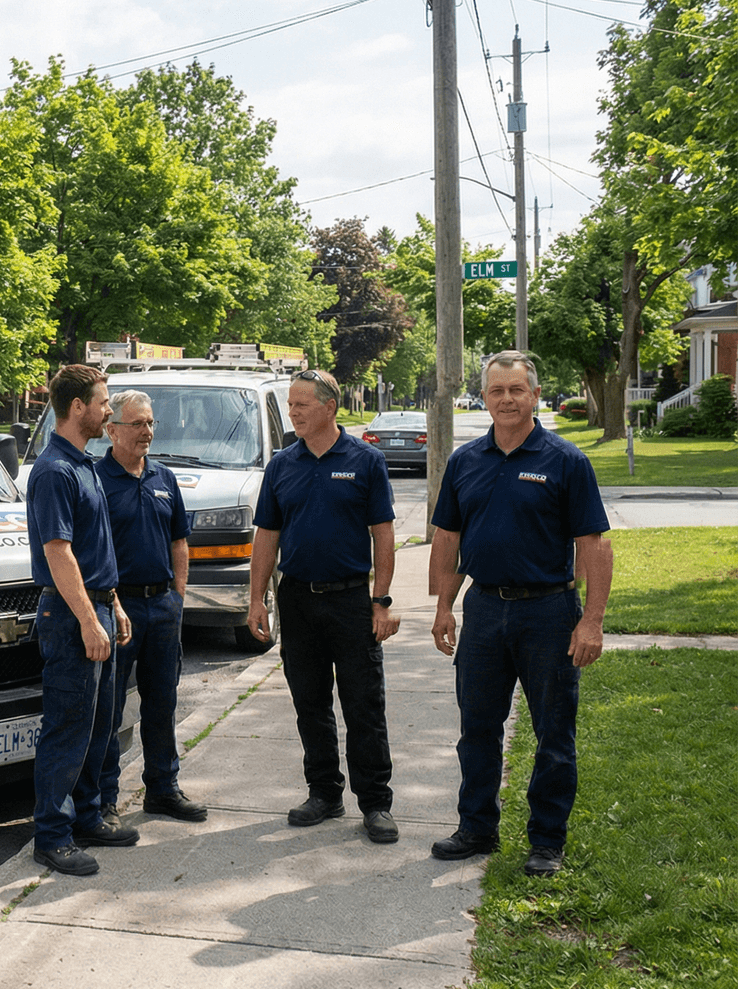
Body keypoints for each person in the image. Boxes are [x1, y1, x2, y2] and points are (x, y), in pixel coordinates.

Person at [428, 350, 612, 877]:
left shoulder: (565, 460)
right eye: (496, 391)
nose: (506, 399)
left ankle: (547, 841)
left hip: (549, 614)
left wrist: (591, 620)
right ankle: (476, 827)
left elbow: (594, 546)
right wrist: (443, 604)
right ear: (483, 397)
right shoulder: (465, 461)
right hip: (483, 609)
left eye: (516, 390)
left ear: (534, 394)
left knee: (554, 733)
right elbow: (448, 538)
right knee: (477, 729)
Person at [247, 368, 401, 844]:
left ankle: (375, 803)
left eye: (300, 405)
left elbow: (383, 535)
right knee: (309, 703)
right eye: (290, 405)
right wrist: (257, 599)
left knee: (363, 706)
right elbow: (267, 535)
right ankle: (324, 793)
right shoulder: (282, 465)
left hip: (352, 601)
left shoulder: (366, 460)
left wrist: (382, 601)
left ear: (329, 407)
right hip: (296, 600)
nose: (291, 412)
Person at [26, 363, 133, 877]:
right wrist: (90, 621)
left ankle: (88, 818)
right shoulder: (54, 470)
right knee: (67, 727)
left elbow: (94, 551)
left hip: (97, 607)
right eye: (104, 401)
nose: (109, 409)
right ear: (77, 408)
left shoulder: (85, 463)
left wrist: (113, 605)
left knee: (98, 724)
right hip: (72, 616)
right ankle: (52, 835)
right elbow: (59, 553)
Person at [94, 389, 209, 829]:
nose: (146, 432)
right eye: (137, 424)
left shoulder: (164, 478)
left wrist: (177, 597)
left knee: (161, 703)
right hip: (117, 609)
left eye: (150, 423)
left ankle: (162, 788)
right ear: (112, 430)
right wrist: (113, 604)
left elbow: (180, 541)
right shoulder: (97, 480)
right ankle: (105, 798)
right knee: (108, 707)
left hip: (162, 607)